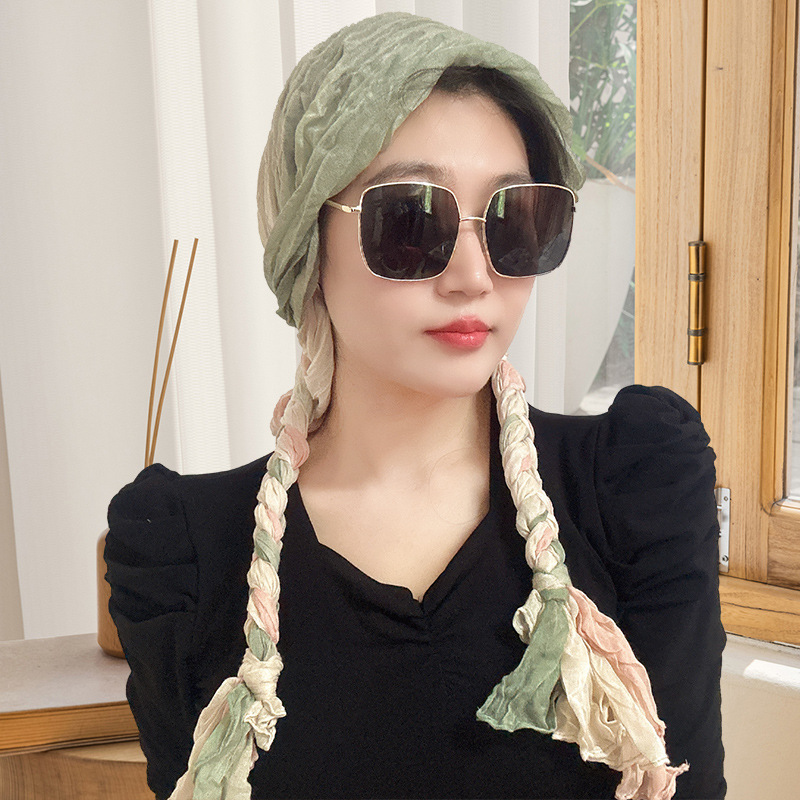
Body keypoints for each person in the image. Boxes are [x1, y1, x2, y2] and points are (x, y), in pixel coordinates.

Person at [105, 12, 726, 800]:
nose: (474, 275)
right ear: (307, 245)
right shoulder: (185, 555)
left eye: (515, 220)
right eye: (410, 219)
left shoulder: (633, 489)